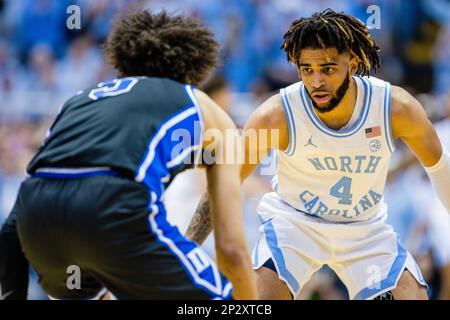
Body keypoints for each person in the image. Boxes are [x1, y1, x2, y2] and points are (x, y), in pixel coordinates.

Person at [186, 9, 450, 300]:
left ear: (352, 63)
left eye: (327, 69)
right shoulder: (276, 115)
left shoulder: (394, 108)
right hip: (294, 224)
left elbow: (440, 169)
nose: (316, 81)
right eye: (306, 69)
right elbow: (224, 183)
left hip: (364, 227)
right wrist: (186, 248)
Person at [0, 11, 257, 300]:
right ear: (195, 68)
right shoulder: (201, 104)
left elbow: (31, 193)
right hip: (114, 207)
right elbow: (232, 249)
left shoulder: (79, 101)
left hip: (36, 220)